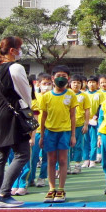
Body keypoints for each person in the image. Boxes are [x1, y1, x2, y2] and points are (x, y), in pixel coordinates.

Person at [0, 36, 34, 208]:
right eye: (19, 48)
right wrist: (28, 113)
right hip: (13, 115)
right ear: (13, 51)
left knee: (0, 156)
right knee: (22, 154)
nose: (21, 51)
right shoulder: (16, 67)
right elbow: (25, 94)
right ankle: (4, 193)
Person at [39, 66, 77, 204]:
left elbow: (73, 116)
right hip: (50, 132)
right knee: (50, 160)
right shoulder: (46, 96)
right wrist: (42, 135)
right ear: (52, 78)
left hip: (65, 132)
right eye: (58, 75)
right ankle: (51, 188)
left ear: (68, 78)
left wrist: (73, 135)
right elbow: (43, 117)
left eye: (64, 76)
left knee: (62, 160)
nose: (61, 78)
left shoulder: (71, 95)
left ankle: (61, 189)